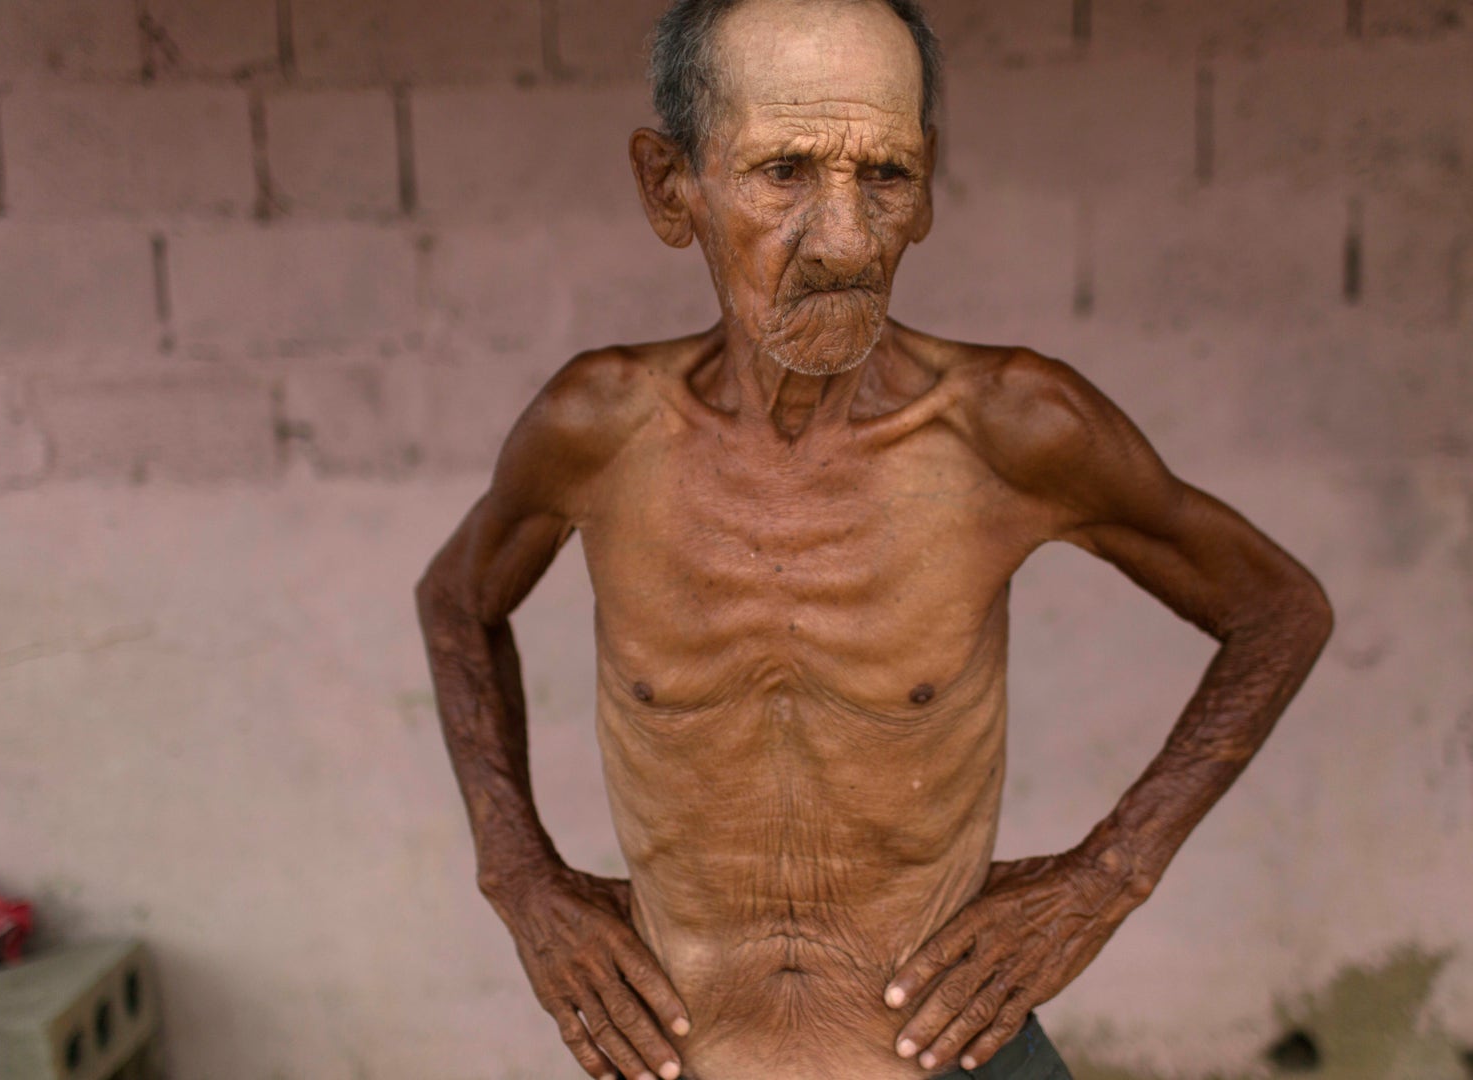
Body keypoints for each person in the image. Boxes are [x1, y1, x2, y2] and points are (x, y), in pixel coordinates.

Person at [413, 1, 1334, 1076]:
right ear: (672, 187)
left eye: (884, 176)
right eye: (785, 171)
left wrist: (1111, 874)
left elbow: (1279, 610)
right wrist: (517, 876)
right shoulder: (597, 429)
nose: (846, 241)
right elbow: (457, 600)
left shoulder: (1011, 427)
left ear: (928, 186)